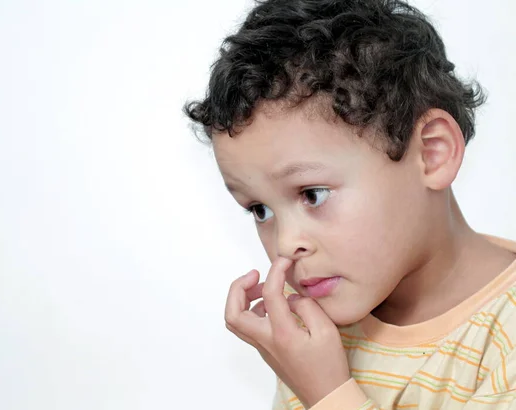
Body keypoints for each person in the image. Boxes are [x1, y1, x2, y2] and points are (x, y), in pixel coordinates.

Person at [182, 0, 516, 408]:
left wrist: (328, 392)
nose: (285, 244)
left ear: (431, 153)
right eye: (259, 210)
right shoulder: (317, 331)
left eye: (312, 194)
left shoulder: (504, 338)